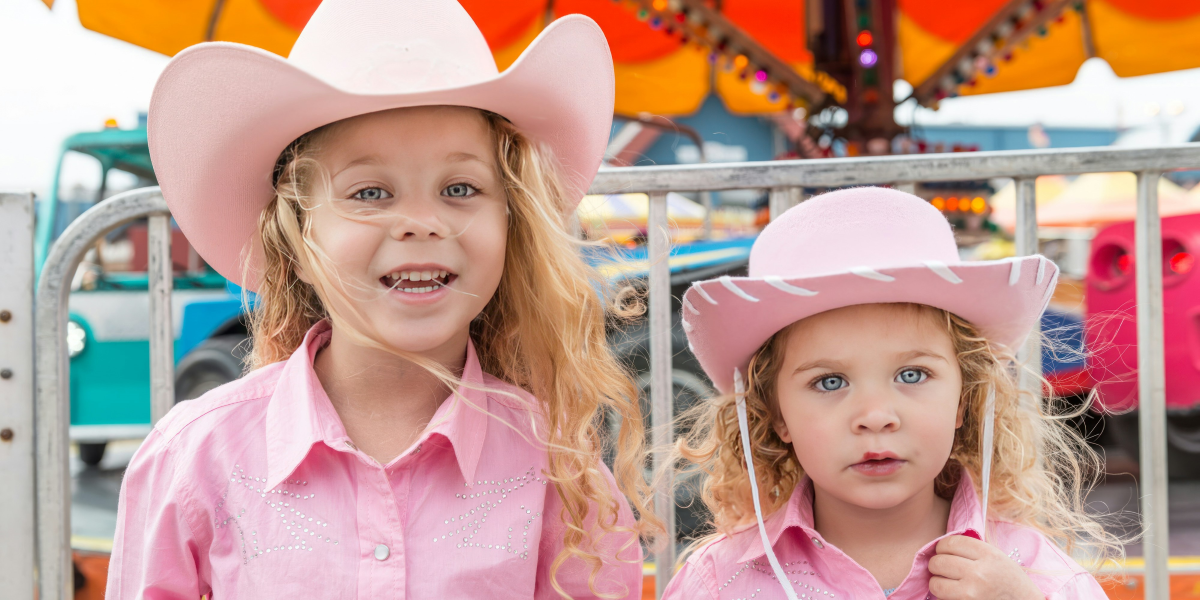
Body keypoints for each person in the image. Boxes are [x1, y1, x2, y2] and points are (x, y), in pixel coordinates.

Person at [106, 0, 653, 597]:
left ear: (510, 223)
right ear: (297, 237)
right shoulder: (193, 458)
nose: (421, 222)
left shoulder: (560, 472)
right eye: (369, 192)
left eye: (460, 188)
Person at [662, 187, 1118, 599]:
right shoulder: (716, 583)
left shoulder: (1039, 580)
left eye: (913, 375)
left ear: (965, 398)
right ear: (775, 413)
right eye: (829, 382)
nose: (876, 416)